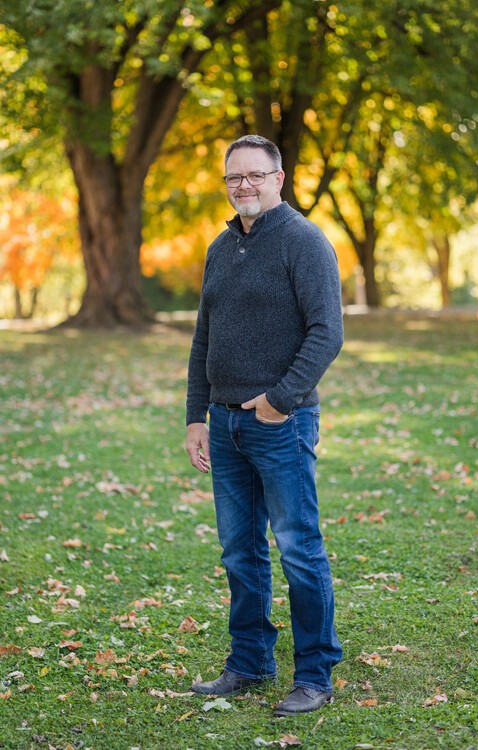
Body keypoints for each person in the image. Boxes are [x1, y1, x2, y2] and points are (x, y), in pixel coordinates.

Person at [185, 134, 343, 716]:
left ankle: (315, 675)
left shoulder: (304, 241)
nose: (243, 185)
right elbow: (204, 338)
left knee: (298, 548)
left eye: (254, 175)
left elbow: (327, 332)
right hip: (224, 426)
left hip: (283, 424)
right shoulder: (221, 247)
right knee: (239, 552)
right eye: (234, 177)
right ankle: (250, 663)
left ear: (278, 178)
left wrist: (280, 400)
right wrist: (195, 416)